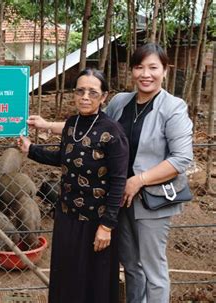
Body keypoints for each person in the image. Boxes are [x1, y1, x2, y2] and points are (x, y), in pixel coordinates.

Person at [19, 68, 129, 303]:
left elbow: (119, 181)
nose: (85, 97)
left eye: (93, 92)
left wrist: (107, 226)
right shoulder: (72, 123)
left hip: (96, 221)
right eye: (80, 91)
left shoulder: (112, 132)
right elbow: (64, 156)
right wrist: (31, 150)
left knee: (94, 280)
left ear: (104, 96)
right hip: (67, 216)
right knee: (67, 276)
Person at [105, 43, 193, 303]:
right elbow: (95, 128)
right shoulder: (120, 102)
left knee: (154, 270)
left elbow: (181, 159)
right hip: (121, 198)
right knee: (131, 265)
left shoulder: (173, 107)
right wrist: (48, 126)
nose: (146, 74)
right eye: (139, 67)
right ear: (131, 71)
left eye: (153, 67)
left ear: (165, 70)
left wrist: (139, 180)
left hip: (152, 200)